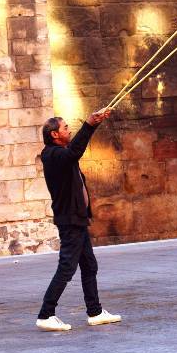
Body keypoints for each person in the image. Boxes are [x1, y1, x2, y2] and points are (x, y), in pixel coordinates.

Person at [36, 107, 122, 332]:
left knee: (89, 265)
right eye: (65, 127)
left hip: (78, 219)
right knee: (67, 267)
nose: (69, 129)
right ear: (55, 134)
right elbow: (75, 151)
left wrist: (94, 123)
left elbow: (74, 152)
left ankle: (95, 312)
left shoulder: (63, 154)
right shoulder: (52, 155)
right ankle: (46, 313)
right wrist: (90, 124)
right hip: (70, 221)